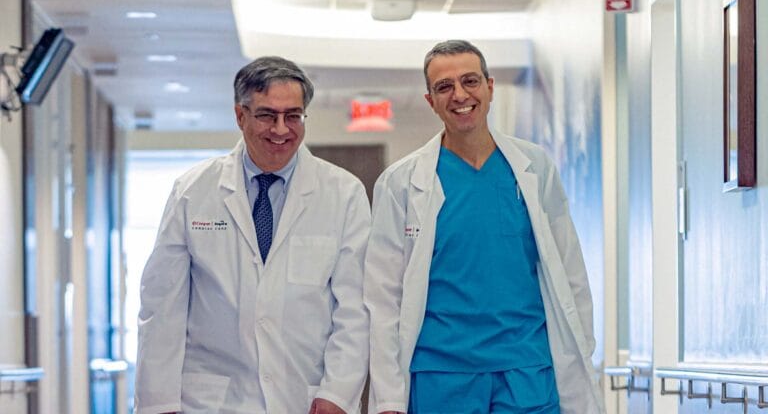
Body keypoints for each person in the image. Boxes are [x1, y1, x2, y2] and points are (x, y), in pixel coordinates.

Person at [364, 40, 605, 414]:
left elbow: (570, 271)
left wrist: (584, 349)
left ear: (490, 87)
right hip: (440, 374)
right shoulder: (401, 183)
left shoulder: (534, 167)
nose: (459, 95)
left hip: (527, 369)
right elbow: (383, 297)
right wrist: (389, 397)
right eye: (444, 87)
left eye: (470, 81)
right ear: (430, 101)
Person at [134, 56, 371, 414]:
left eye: (293, 115)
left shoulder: (344, 193)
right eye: (266, 115)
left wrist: (338, 392)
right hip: (211, 399)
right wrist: (158, 403)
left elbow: (354, 307)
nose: (281, 129)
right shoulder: (193, 191)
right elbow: (162, 306)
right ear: (240, 115)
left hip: (305, 398)